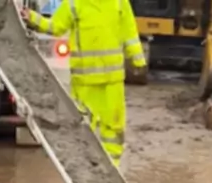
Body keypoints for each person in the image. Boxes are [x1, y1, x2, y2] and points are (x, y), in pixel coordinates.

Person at [26, 0, 147, 166]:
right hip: (89, 81)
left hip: (106, 81)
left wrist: (138, 59)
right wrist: (31, 17)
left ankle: (111, 168)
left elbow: (129, 31)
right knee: (84, 126)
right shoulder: (77, 3)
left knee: (112, 126)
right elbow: (56, 26)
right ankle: (87, 166)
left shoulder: (118, 3)